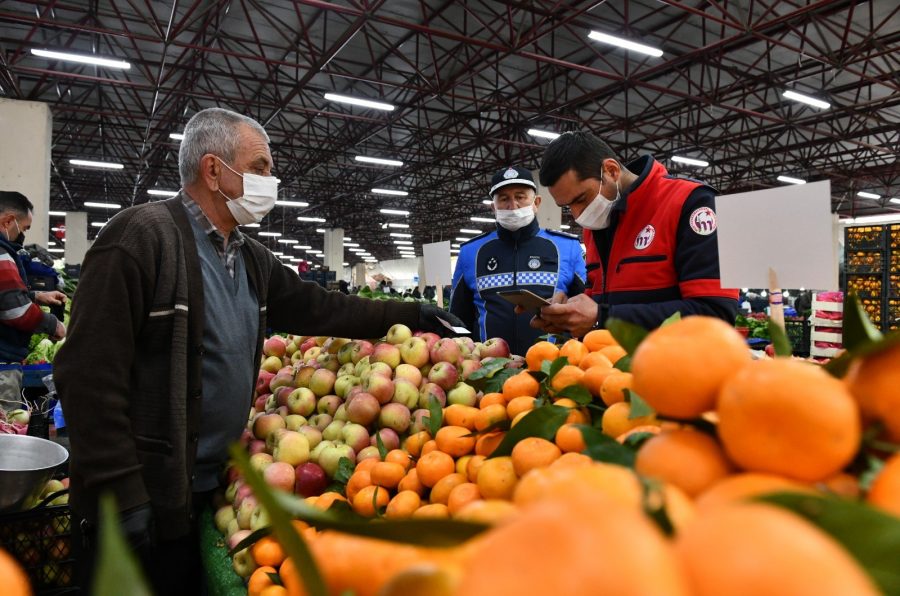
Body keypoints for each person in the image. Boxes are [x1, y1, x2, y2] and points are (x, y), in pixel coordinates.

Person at [53, 107, 464, 593]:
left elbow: (320, 309)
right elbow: (86, 376)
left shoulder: (248, 255)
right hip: (141, 491)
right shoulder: (139, 238)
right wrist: (122, 494)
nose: (272, 180)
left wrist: (410, 315)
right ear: (213, 170)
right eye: (262, 167)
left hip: (203, 486)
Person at [532, 132, 737, 336]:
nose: (578, 214)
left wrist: (602, 318)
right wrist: (570, 314)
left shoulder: (692, 204)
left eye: (581, 199)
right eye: (567, 207)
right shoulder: (596, 225)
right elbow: (603, 296)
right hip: (607, 364)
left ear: (611, 171)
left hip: (677, 365)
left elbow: (715, 316)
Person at [450, 166, 586, 355]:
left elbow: (585, 309)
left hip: (549, 371)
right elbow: (457, 320)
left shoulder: (567, 248)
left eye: (520, 197)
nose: (512, 206)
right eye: (504, 199)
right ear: (493, 207)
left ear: (536, 202)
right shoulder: (470, 253)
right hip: (485, 372)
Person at [0, 191, 66, 411]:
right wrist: (53, 325)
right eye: (25, 228)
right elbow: (17, 312)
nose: (23, 234)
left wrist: (36, 296)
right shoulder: (2, 254)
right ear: (8, 221)